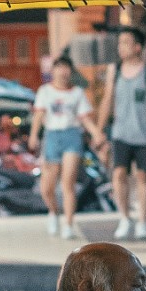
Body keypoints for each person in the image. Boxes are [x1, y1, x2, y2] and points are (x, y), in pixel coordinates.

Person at [98, 28, 146, 240]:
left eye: (126, 42)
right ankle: (125, 217)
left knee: (143, 176)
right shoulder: (114, 70)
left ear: (138, 47)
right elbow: (107, 99)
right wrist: (99, 130)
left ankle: (143, 220)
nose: (121, 47)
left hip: (144, 133)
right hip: (120, 133)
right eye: (120, 43)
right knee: (119, 174)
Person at [29, 56, 98, 240]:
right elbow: (39, 115)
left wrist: (96, 133)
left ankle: (68, 223)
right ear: (53, 71)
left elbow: (84, 118)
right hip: (52, 136)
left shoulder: (77, 93)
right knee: (47, 187)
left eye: (66, 68)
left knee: (68, 183)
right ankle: (53, 212)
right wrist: (34, 135)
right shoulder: (45, 91)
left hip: (72, 136)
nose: (63, 72)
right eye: (59, 68)